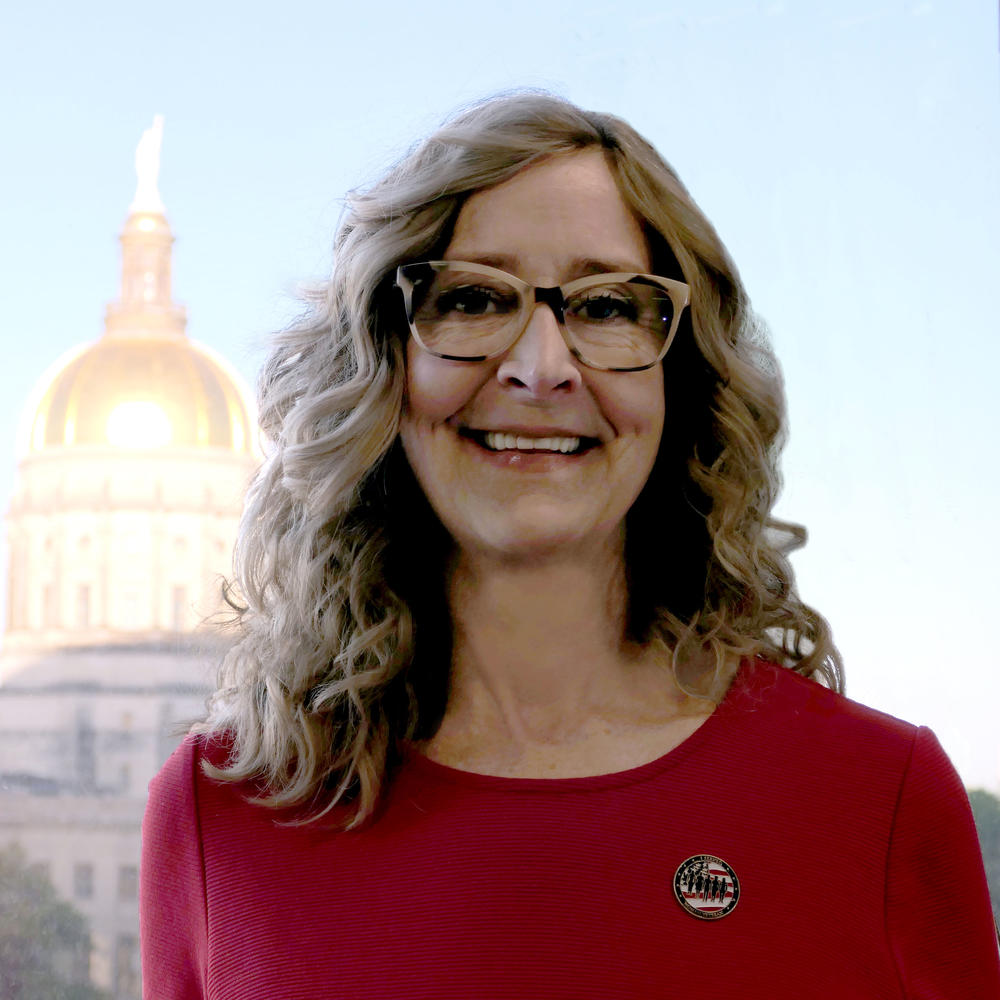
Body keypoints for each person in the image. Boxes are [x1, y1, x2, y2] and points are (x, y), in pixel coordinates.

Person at [140, 93, 1000, 998]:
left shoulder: (879, 803)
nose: (540, 367)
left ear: (684, 380)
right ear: (383, 367)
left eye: (605, 307)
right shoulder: (220, 815)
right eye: (473, 298)